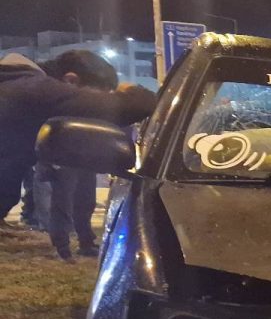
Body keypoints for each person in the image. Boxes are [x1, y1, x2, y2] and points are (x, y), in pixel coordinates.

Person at [0, 50, 155, 229]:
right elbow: (134, 106)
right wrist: (130, 91)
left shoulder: (14, 85)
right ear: (71, 81)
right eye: (95, 96)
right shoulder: (35, 90)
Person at [38, 52, 123, 260]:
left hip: (84, 155)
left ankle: (86, 241)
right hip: (62, 158)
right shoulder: (47, 101)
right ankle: (62, 247)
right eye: (100, 93)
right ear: (71, 81)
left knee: (86, 200)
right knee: (62, 202)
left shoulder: (78, 102)